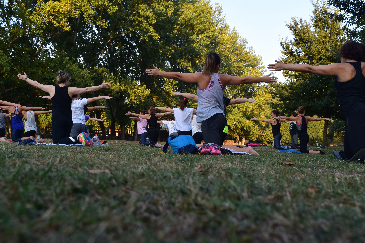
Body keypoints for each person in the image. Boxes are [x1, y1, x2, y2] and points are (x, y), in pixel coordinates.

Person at [146, 52, 276, 155]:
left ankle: (246, 151)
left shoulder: (200, 77)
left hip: (211, 119)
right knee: (211, 148)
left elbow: (178, 76)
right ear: (218, 66)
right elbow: (243, 80)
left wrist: (159, 73)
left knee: (214, 149)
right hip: (219, 119)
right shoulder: (223, 78)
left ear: (206, 64)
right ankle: (243, 150)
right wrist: (263, 79)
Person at [268, 41, 365, 160]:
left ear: (344, 54)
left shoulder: (342, 67)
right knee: (349, 154)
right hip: (360, 111)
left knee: (359, 154)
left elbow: (310, 68)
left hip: (353, 113)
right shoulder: (363, 66)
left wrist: (284, 66)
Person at [17, 71, 111, 144]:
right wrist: (101, 86)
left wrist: (26, 78)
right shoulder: (70, 90)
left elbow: (37, 84)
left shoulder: (51, 89)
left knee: (57, 142)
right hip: (68, 120)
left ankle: (79, 138)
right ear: (66, 80)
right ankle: (82, 139)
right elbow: (86, 89)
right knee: (66, 141)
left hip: (57, 120)